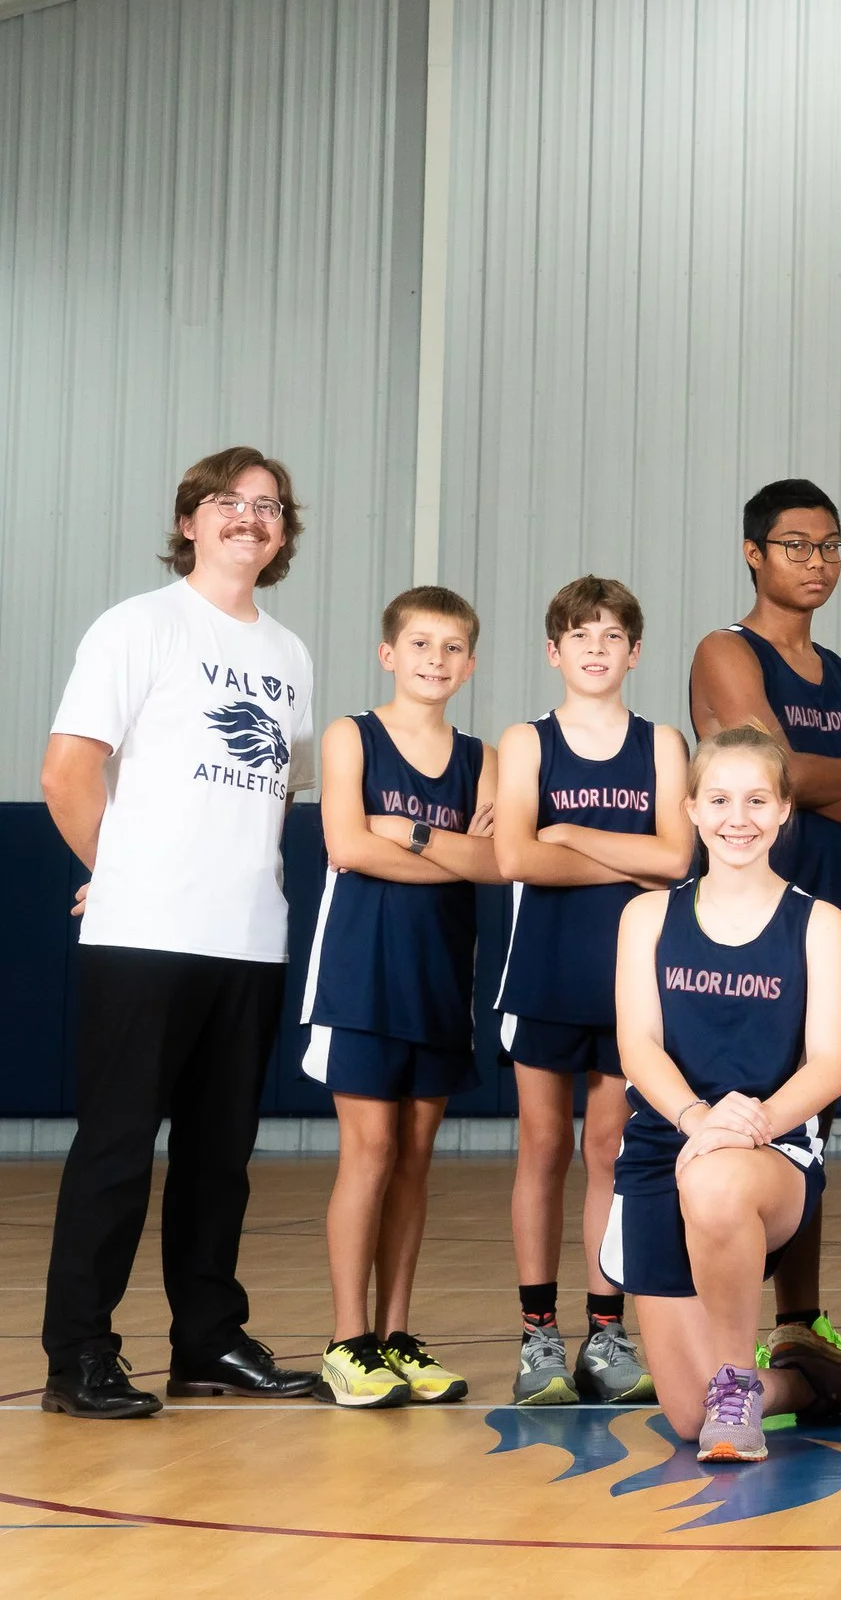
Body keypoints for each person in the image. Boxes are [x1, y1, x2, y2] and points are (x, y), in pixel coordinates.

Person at [40, 446, 323, 1417]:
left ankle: (207, 1338)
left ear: (283, 531)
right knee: (117, 1148)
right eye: (228, 501)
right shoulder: (138, 626)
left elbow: (275, 790)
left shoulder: (289, 654)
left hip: (248, 936)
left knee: (219, 1157)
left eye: (268, 505)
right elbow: (68, 769)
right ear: (191, 520)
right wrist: (110, 873)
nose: (249, 516)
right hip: (147, 932)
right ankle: (78, 1353)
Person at [687, 477, 841, 1414]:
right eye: (794, 546)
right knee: (729, 1114)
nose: (815, 563)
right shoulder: (722, 651)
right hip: (743, 920)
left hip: (830, 916)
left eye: (829, 548)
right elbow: (764, 770)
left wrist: (829, 775)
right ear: (753, 553)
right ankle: (688, 1317)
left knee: (805, 1120)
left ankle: (802, 1319)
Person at [606, 729, 841, 1460]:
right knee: (688, 1417)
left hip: (767, 1150)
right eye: (718, 798)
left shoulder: (819, 923)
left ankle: (737, 1385)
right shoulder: (647, 918)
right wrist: (694, 1118)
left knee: (714, 1178)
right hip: (664, 1148)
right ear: (690, 808)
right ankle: (816, 1380)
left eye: (756, 799)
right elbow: (638, 1045)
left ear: (783, 811)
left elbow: (831, 1064)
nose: (736, 816)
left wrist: (749, 1126)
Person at [301, 587, 502, 1408]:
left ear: (471, 663)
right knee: (372, 1149)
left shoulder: (480, 756)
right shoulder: (351, 735)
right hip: (361, 969)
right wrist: (450, 851)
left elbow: (496, 865)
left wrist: (407, 832)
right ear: (390, 653)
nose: (435, 660)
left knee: (417, 1159)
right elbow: (346, 844)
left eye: (452, 647)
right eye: (421, 644)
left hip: (440, 975)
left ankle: (396, 1337)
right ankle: (347, 1341)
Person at [494, 576, 692, 1406]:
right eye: (581, 635)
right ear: (554, 650)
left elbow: (679, 859)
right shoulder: (526, 741)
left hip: (632, 984)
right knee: (542, 1148)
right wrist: (628, 850)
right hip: (544, 970)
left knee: (608, 1151)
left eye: (613, 635)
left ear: (634, 651)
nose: (597, 647)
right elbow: (514, 857)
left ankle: (605, 1334)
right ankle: (540, 1334)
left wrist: (571, 830)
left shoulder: (664, 744)